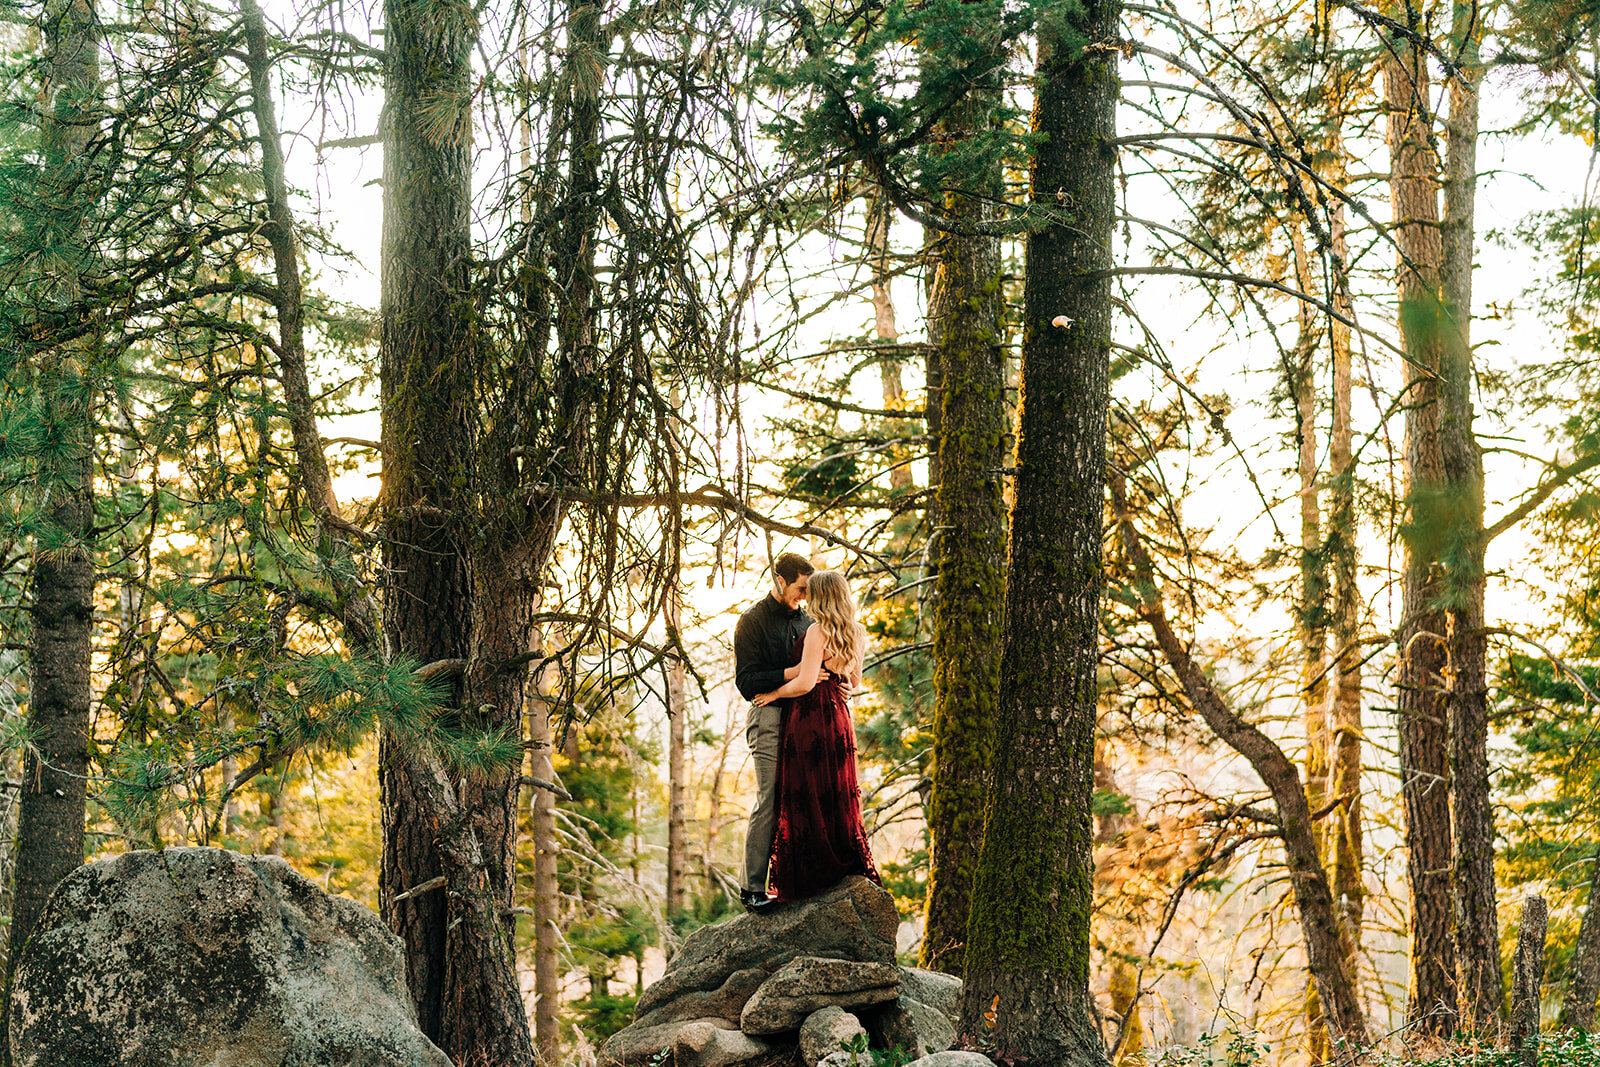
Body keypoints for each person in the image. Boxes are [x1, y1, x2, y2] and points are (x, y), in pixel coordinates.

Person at [751, 570, 879, 903]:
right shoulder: (857, 632)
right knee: (836, 790)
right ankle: (840, 866)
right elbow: (854, 682)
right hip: (838, 716)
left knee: (808, 792)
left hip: (809, 717)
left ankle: (813, 875)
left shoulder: (817, 632)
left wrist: (775, 694)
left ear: (821, 596)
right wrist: (842, 687)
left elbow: (805, 683)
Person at [733, 552, 815, 911]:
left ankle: (797, 880)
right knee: (769, 798)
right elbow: (746, 681)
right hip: (768, 718)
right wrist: (792, 673)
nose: (804, 596)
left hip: (805, 720)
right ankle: (752, 889)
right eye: (800, 588)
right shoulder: (751, 621)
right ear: (780, 581)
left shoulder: (808, 621)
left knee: (801, 798)